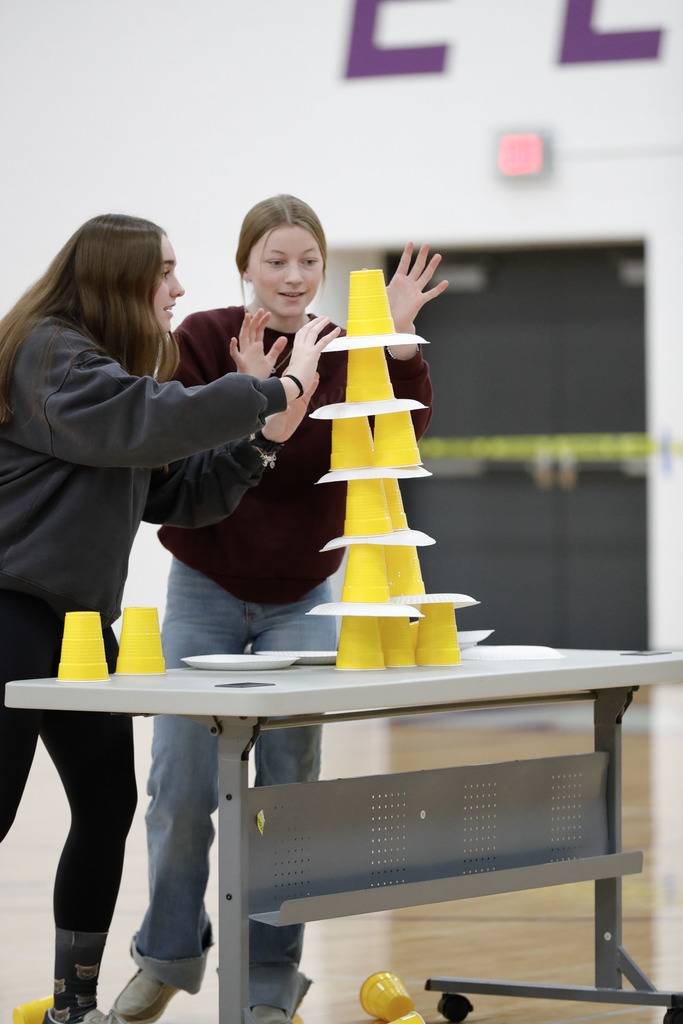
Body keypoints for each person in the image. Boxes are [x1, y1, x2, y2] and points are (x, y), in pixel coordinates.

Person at [114, 195, 447, 1024]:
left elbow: (397, 435)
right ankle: (166, 956)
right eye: (275, 261)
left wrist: (399, 345)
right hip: (204, 590)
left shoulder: (343, 347)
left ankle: (269, 982)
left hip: (305, 597)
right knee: (180, 787)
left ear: (323, 269)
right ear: (245, 267)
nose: (293, 277)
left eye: (307, 261)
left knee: (286, 796)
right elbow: (177, 454)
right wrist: (251, 388)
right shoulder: (199, 340)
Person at [0, 212, 336, 1024]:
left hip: (78, 623)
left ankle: (73, 1006)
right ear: (118, 276)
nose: (178, 289)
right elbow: (149, 418)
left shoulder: (103, 376)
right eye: (165, 272)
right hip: (10, 609)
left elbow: (174, 491)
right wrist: (274, 389)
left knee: (107, 804)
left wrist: (258, 441)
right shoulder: (51, 353)